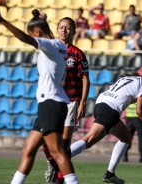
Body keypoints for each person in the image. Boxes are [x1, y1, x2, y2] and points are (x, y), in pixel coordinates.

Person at [0, 8, 80, 184]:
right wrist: (40, 20)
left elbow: (24, 38)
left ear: (37, 33)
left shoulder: (48, 45)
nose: (33, 38)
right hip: (52, 103)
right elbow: (45, 34)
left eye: (34, 34)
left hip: (51, 103)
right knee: (28, 150)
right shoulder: (58, 45)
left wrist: (2, 21)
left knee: (57, 151)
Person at [70, 72, 142, 184]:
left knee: (126, 137)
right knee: (88, 140)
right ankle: (58, 159)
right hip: (111, 109)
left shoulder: (133, 78)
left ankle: (110, 174)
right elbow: (139, 111)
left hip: (101, 103)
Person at [42, 15, 90, 184]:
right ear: (57, 29)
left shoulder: (77, 54)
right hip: (53, 100)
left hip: (71, 100)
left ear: (74, 31)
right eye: (61, 27)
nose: (64, 30)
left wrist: (83, 102)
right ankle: (54, 164)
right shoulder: (52, 49)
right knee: (45, 139)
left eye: (68, 27)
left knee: (65, 141)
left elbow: (85, 79)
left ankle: (61, 178)